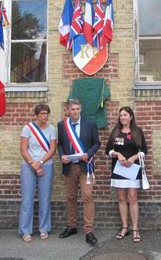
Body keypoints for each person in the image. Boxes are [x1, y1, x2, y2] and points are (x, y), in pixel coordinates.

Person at [57, 99, 100, 245]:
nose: (75, 112)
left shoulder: (90, 124)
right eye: (73, 109)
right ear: (68, 110)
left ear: (80, 109)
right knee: (70, 197)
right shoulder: (62, 125)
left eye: (77, 109)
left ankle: (89, 231)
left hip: (85, 166)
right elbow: (60, 144)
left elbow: (96, 143)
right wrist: (61, 155)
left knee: (87, 196)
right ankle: (72, 226)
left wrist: (88, 153)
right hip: (70, 167)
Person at [105, 106, 147, 243]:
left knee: (133, 197)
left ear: (131, 117)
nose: (122, 117)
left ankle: (135, 229)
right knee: (122, 197)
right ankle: (124, 227)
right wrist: (117, 154)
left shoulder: (137, 132)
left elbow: (144, 151)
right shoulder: (116, 132)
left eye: (125, 115)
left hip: (133, 169)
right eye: (121, 115)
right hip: (119, 169)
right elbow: (108, 150)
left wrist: (134, 158)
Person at [19, 104, 57, 242]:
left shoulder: (52, 129)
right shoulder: (27, 128)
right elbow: (23, 149)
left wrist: (40, 163)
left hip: (45, 165)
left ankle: (44, 228)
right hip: (28, 165)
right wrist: (33, 164)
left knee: (45, 198)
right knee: (27, 198)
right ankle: (25, 230)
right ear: (36, 115)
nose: (44, 116)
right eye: (41, 113)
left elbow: (53, 150)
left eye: (46, 113)